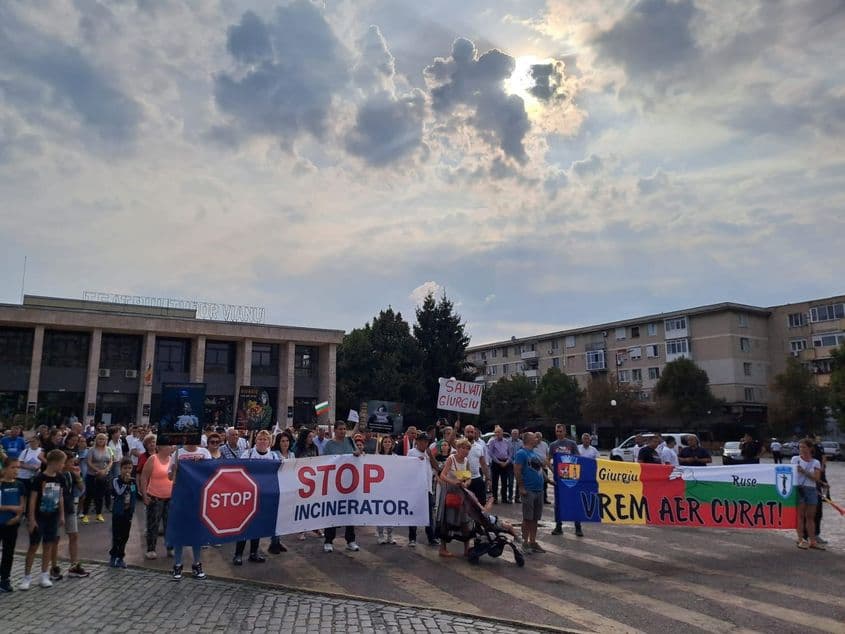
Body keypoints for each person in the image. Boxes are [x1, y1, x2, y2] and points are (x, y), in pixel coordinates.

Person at [21, 449, 67, 590]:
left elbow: (60, 497)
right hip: (39, 516)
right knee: (34, 546)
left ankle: (44, 574)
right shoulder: (40, 478)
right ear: (55, 462)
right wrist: (31, 518)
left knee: (48, 545)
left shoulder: (60, 478)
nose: (63, 466)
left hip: (52, 516)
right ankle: (27, 577)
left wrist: (62, 515)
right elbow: (33, 499)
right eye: (62, 463)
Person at [232, 430, 277, 564]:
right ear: (255, 441)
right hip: (249, 494)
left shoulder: (273, 456)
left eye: (265, 439)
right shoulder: (248, 453)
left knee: (257, 525)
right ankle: (238, 554)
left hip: (264, 495)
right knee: (245, 525)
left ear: (269, 442)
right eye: (260, 439)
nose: (262, 442)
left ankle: (254, 553)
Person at [169, 441, 211, 579]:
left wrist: (202, 463)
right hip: (181, 496)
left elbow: (210, 474)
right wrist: (175, 469)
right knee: (180, 531)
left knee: (196, 532)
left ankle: (197, 563)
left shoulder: (204, 452)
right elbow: (170, 477)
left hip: (199, 497)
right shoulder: (177, 454)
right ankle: (178, 564)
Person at [321, 422, 362, 553]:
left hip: (350, 484)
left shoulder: (350, 442)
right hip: (334, 484)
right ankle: (328, 540)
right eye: (340, 429)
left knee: (350, 512)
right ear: (335, 430)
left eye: (344, 429)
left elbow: (358, 454)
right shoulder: (329, 445)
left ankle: (350, 540)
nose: (343, 431)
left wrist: (357, 453)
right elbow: (325, 462)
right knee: (332, 512)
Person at [52, 451, 88, 580]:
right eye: (71, 462)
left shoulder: (71, 474)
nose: (74, 464)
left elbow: (82, 489)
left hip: (70, 507)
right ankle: (53, 567)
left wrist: (78, 477)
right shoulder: (55, 474)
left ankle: (73, 566)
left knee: (74, 535)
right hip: (56, 509)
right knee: (55, 538)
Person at [437, 438, 473, 558]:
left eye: (467, 448)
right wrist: (453, 482)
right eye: (463, 448)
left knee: (465, 520)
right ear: (458, 448)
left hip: (462, 493)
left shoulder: (466, 461)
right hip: (451, 492)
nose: (465, 450)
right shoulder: (451, 459)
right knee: (448, 520)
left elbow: (469, 476)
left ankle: (466, 548)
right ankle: (443, 548)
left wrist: (466, 483)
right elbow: (442, 475)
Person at [138, 443, 173, 559]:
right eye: (168, 445)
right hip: (155, 497)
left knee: (170, 524)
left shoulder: (172, 460)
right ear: (161, 447)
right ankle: (151, 549)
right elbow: (144, 477)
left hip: (170, 497)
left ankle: (170, 547)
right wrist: (144, 494)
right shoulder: (153, 459)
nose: (171, 447)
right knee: (153, 524)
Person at [514, 433, 546, 553]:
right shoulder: (521, 453)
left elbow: (539, 470)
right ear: (528, 440)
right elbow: (517, 470)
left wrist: (549, 481)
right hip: (529, 490)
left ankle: (533, 542)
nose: (537, 439)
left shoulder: (534, 453)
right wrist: (521, 487)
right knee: (527, 518)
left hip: (539, 490)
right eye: (534, 437)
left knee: (535, 518)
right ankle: (525, 542)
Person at [549, 425, 583, 537]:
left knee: (574, 501)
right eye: (557, 431)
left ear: (565, 432)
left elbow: (578, 458)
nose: (559, 433)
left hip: (571, 477)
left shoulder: (571, 444)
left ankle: (578, 527)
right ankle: (558, 526)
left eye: (560, 431)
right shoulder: (553, 445)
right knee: (558, 503)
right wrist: (553, 470)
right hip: (559, 478)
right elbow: (547, 459)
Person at [407, 433, 439, 547]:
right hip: (415, 489)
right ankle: (412, 538)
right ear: (417, 441)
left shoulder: (428, 453)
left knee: (429, 515)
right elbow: (407, 467)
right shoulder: (411, 452)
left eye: (426, 442)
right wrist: (416, 460)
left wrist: (430, 456)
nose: (424, 443)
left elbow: (437, 467)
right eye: (422, 441)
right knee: (414, 513)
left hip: (427, 488)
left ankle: (431, 537)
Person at [792, 439, 824, 550]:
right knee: (800, 516)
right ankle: (801, 539)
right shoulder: (795, 459)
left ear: (810, 448)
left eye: (804, 447)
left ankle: (813, 540)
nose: (802, 449)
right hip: (799, 489)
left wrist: (804, 471)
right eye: (800, 447)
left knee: (810, 516)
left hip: (811, 489)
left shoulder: (815, 462)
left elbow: (816, 478)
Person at [0, 459, 25, 592]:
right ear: (5, 469)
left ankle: (5, 579)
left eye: (18, 467)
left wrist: (17, 517)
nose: (16, 470)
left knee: (8, 552)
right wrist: (12, 508)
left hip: (12, 524)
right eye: (12, 467)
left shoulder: (19, 485)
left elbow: (22, 505)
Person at [109, 458, 138, 568]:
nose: (127, 470)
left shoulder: (133, 481)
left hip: (127, 512)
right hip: (118, 512)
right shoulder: (116, 480)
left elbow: (134, 494)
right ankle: (113, 555)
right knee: (116, 535)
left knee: (125, 535)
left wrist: (132, 509)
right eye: (125, 468)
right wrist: (126, 483)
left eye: (129, 468)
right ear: (121, 469)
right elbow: (119, 492)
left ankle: (121, 557)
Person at [81, 433, 112, 523]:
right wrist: (97, 470)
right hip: (92, 474)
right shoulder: (91, 450)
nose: (101, 441)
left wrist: (106, 470)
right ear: (96, 440)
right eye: (99, 439)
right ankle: (85, 514)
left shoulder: (109, 449)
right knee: (89, 495)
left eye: (103, 439)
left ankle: (99, 514)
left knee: (100, 495)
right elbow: (89, 462)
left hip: (104, 475)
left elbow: (111, 461)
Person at [376, 435, 399, 545]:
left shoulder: (395, 457)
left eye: (389, 441)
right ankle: (380, 535)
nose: (387, 443)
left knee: (391, 511)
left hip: (391, 488)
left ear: (392, 444)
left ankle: (390, 535)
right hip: (380, 488)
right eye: (385, 441)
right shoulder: (376, 456)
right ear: (382, 444)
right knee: (380, 512)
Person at [464, 425, 491, 506]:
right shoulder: (460, 445)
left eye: (471, 432)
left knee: (481, 503)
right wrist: (455, 428)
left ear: (474, 433)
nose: (470, 434)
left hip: (477, 478)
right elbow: (450, 441)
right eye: (468, 432)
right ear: (464, 433)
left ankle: (480, 518)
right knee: (467, 504)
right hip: (464, 479)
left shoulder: (479, 447)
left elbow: (483, 464)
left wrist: (488, 478)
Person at [486, 426, 513, 504]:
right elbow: (491, 453)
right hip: (496, 463)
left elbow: (510, 453)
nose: (497, 434)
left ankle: (504, 498)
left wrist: (507, 461)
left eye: (499, 432)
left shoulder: (507, 441)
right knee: (495, 481)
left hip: (505, 462)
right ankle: (495, 498)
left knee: (504, 481)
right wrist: (499, 462)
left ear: (502, 432)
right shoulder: (492, 442)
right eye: (496, 432)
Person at [534, 432, 551, 504]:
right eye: (536, 437)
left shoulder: (545, 444)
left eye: (539, 437)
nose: (538, 438)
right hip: (535, 467)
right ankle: (535, 499)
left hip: (544, 466)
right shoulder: (532, 444)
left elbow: (548, 455)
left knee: (544, 484)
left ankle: (544, 498)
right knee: (535, 483)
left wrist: (546, 462)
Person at [508, 428, 523, 503]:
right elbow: (506, 453)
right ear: (511, 434)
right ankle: (510, 497)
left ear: (518, 434)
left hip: (519, 465)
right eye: (513, 433)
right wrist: (512, 461)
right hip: (510, 465)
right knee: (510, 482)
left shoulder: (521, 443)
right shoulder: (507, 442)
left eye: (516, 434)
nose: (515, 435)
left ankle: (517, 497)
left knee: (519, 481)